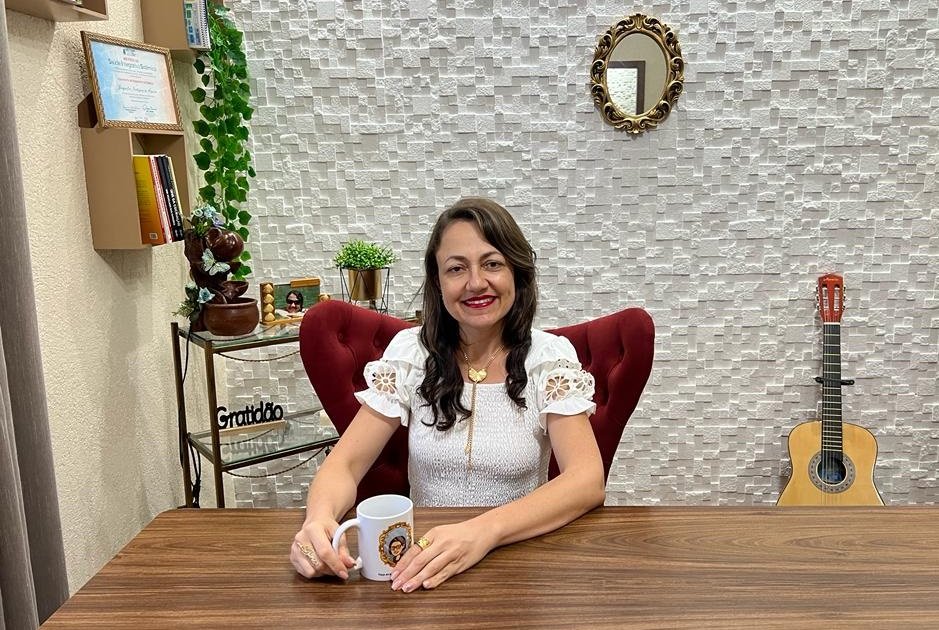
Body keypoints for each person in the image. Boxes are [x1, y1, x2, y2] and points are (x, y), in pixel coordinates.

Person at [290, 197, 605, 592]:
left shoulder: (548, 358)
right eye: (456, 268)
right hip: (421, 565)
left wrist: (483, 532)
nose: (476, 283)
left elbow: (586, 479)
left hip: (518, 564)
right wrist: (318, 521)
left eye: (492, 264)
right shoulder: (411, 354)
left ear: (517, 272)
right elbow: (345, 465)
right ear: (438, 283)